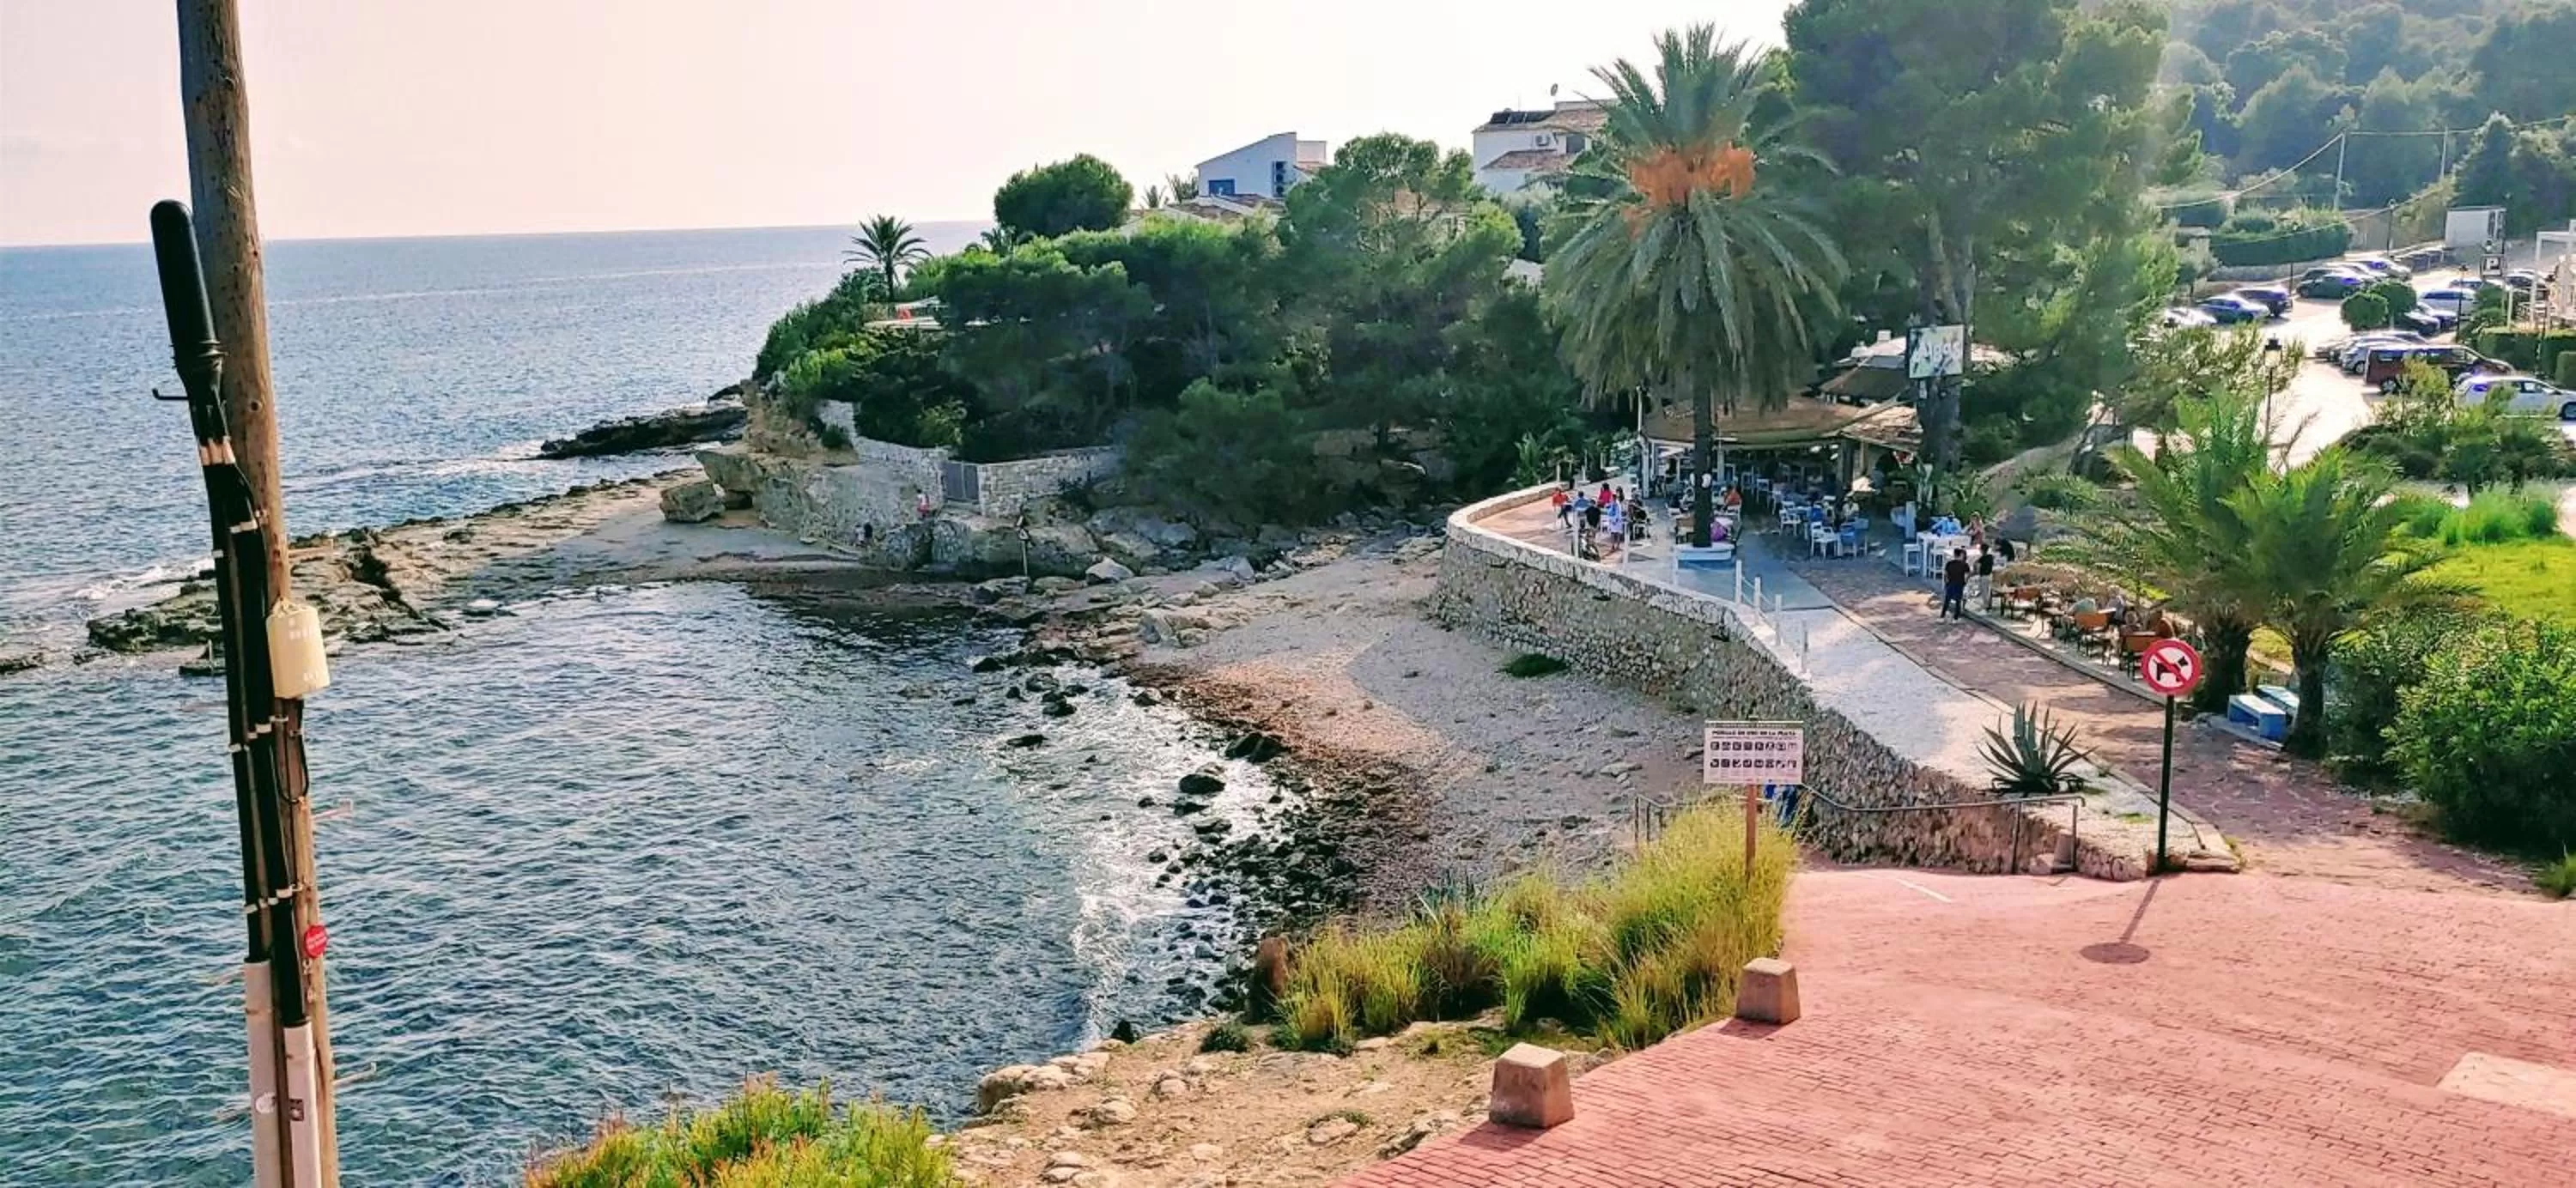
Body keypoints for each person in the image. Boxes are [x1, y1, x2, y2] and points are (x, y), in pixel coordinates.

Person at [1940, 549, 1970, 620]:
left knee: (1947, 600)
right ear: (1961, 555)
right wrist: (1965, 582)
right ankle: (1955, 618)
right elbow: (1967, 574)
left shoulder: (1949, 563)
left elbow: (1945, 574)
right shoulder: (1964, 565)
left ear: (1954, 555)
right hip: (1959, 584)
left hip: (1950, 583)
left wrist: (1946, 583)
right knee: (1958, 601)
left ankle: (1942, 616)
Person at [1973, 544, 1995, 609]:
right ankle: (1988, 604)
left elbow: (1976, 564)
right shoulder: (1990, 557)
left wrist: (1976, 571)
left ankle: (1986, 605)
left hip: (1984, 576)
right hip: (1990, 576)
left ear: (1982, 550)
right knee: (1988, 591)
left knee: (1984, 591)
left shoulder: (1983, 558)